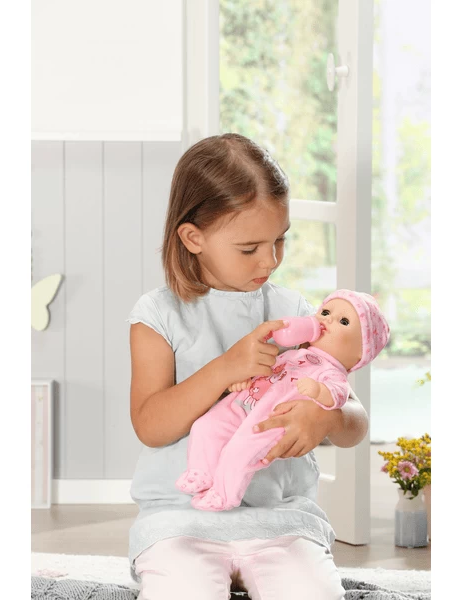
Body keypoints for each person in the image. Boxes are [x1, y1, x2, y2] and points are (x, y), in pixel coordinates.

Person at [127, 133, 369, 600]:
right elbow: (150, 426)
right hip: (181, 520)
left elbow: (355, 421)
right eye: (249, 248)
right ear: (193, 238)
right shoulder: (157, 315)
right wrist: (224, 368)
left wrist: (328, 419)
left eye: (280, 240)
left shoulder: (296, 312)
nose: (270, 259)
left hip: (280, 520)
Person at [177, 290, 389, 512]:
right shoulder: (292, 354)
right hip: (247, 403)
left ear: (360, 353)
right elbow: (269, 371)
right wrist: (244, 380)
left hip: (273, 420)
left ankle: (223, 495)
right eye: (326, 312)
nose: (328, 319)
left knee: (240, 451)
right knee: (207, 425)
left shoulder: (332, 373)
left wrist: (319, 390)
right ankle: (200, 472)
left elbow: (338, 395)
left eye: (343, 321)